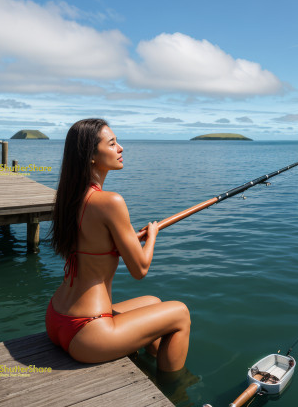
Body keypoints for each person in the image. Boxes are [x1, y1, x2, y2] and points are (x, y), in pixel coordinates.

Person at [45, 118, 190, 373]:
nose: (120, 148)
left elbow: (92, 245)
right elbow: (140, 270)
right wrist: (153, 234)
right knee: (180, 313)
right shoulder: (110, 201)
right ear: (91, 156)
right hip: (88, 330)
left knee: (154, 302)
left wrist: (128, 241)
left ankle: (150, 362)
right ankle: (174, 390)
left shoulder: (70, 198)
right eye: (112, 144)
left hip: (56, 318)